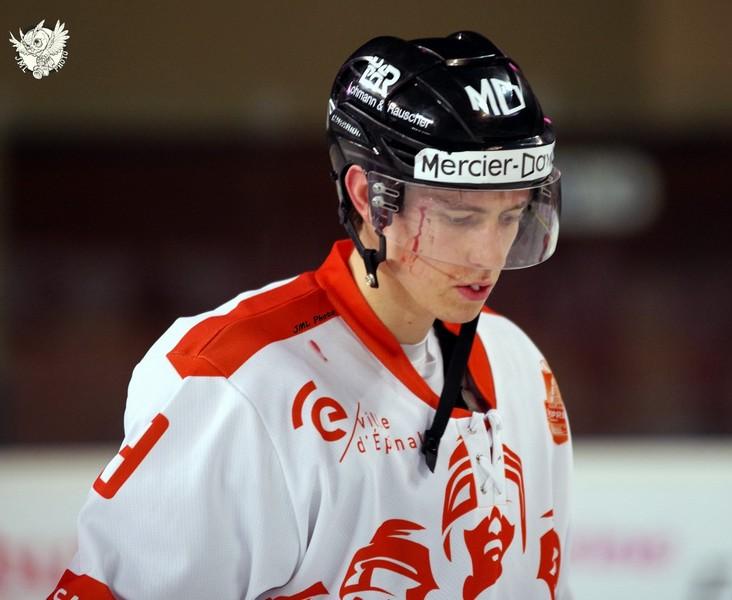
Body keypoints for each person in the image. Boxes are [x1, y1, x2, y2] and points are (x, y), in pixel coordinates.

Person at [49, 31, 572, 599]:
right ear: (369, 199)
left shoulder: (520, 366)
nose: (489, 254)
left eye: (511, 215)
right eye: (460, 217)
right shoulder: (235, 381)